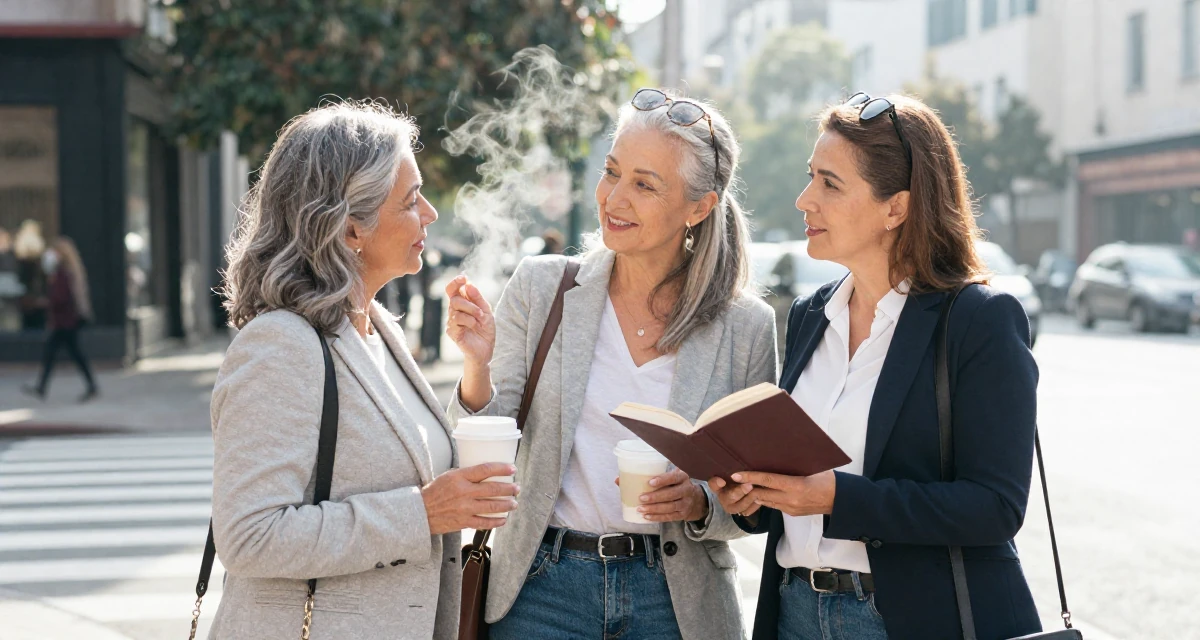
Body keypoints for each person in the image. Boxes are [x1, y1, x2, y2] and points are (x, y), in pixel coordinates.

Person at [445, 88, 777, 640]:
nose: (614, 198)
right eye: (611, 172)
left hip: (676, 604)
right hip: (541, 588)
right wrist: (477, 366)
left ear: (699, 207)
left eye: (645, 185)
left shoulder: (745, 325)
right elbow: (484, 436)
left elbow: (756, 498)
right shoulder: (543, 286)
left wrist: (699, 503)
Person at [711, 93, 1042, 639]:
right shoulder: (810, 314)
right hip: (795, 612)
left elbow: (995, 506)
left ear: (897, 208)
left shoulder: (979, 320)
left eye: (829, 184)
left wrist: (837, 496)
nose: (804, 200)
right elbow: (798, 493)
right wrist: (752, 498)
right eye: (810, 177)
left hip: (904, 620)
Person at [207, 102, 518, 639]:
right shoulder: (280, 345)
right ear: (352, 227)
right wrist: (421, 514)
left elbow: (413, 458)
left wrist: (476, 366)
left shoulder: (373, 326)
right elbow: (249, 536)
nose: (430, 214)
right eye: (410, 200)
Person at [22, 237, 98, 402]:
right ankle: (43, 387)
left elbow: (61, 298)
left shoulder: (63, 274)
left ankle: (44, 387)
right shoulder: (63, 272)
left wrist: (45, 302)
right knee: (66, 354)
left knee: (64, 354)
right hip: (65, 321)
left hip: (65, 322)